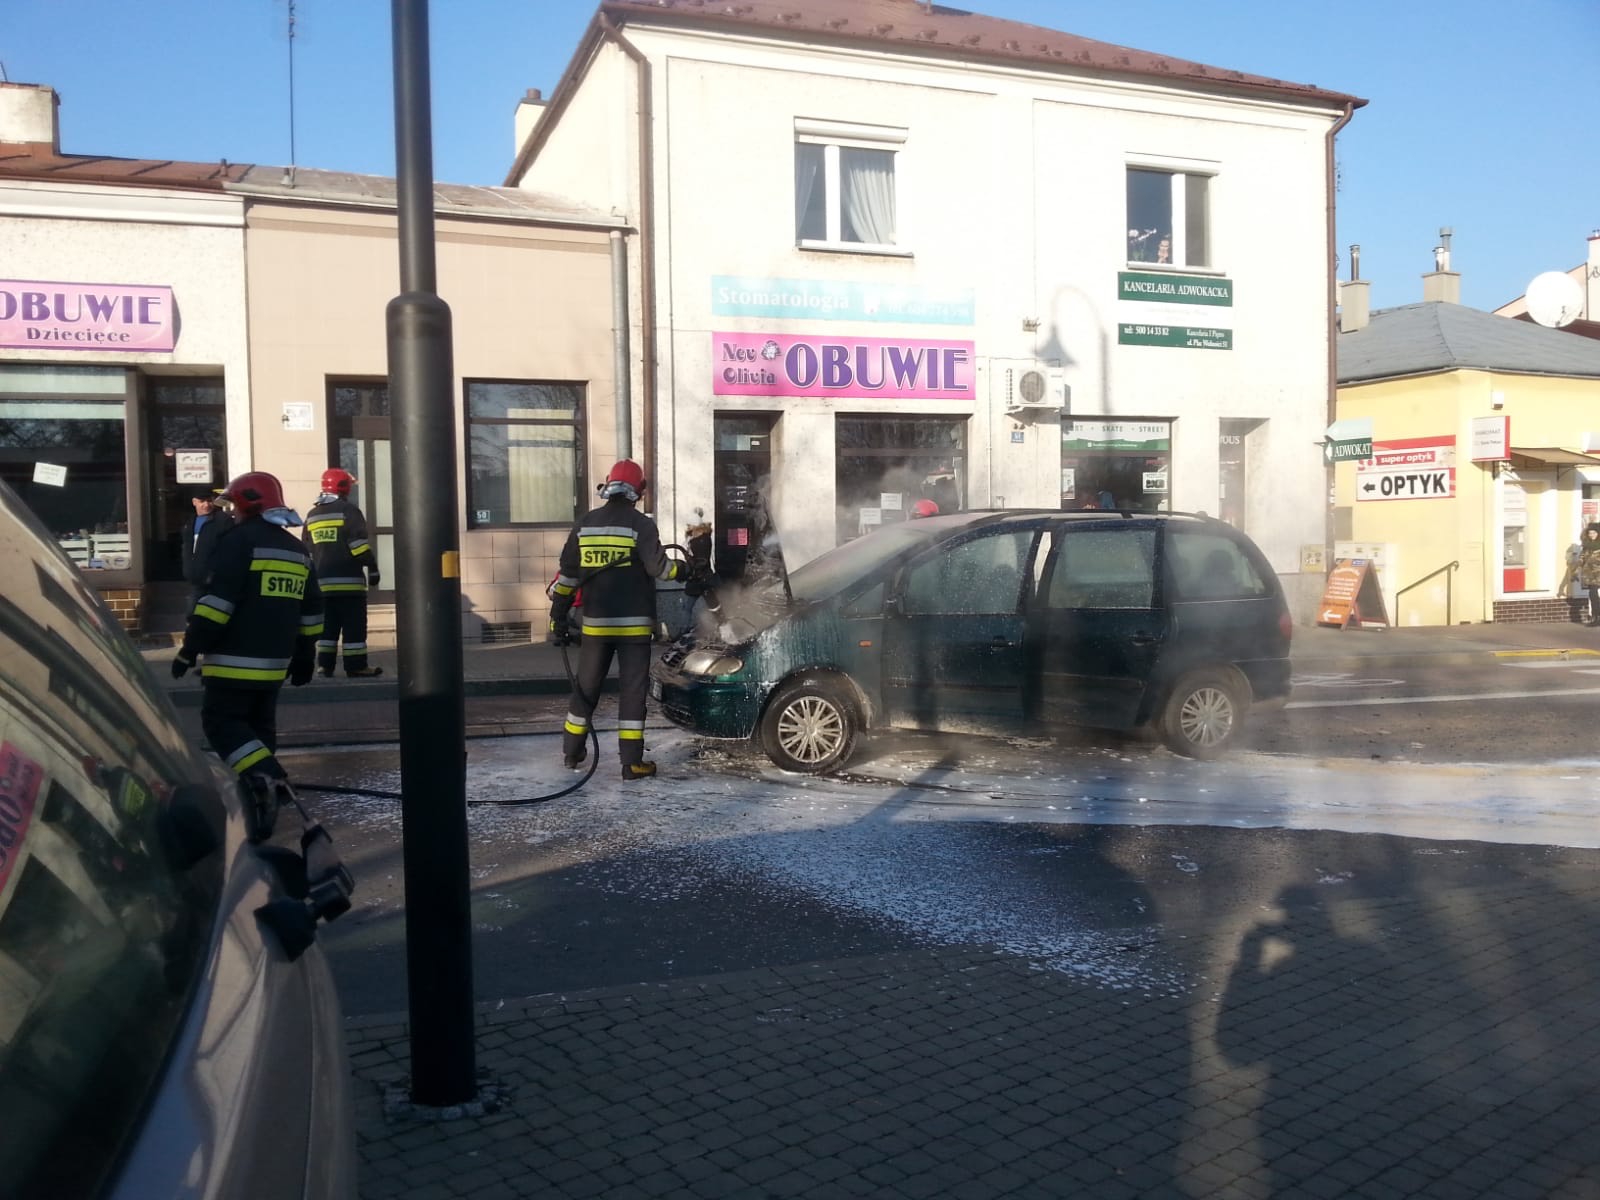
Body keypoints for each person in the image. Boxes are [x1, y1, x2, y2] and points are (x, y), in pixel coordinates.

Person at [171, 471, 322, 837]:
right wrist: (305, 655)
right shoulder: (296, 549)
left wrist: (190, 650)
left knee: (222, 725)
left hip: (233, 662)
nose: (232, 512)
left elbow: (216, 606)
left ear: (245, 504)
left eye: (234, 505)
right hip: (274, 666)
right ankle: (258, 808)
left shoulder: (238, 543)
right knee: (258, 732)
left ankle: (269, 780)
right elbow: (312, 610)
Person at [546, 459, 686, 780]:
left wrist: (558, 617)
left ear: (608, 486)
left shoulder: (585, 524)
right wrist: (686, 569)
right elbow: (660, 569)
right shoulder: (641, 525)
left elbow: (567, 578)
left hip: (595, 626)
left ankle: (571, 752)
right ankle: (632, 763)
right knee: (632, 692)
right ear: (639, 490)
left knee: (586, 688)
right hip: (634, 629)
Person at [302, 467, 382, 677]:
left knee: (328, 629)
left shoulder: (312, 515)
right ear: (344, 487)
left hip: (322, 586)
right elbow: (359, 547)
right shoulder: (349, 511)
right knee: (354, 628)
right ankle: (356, 666)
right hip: (349, 586)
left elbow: (308, 552)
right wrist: (372, 567)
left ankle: (325, 665)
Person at [180, 485, 233, 613]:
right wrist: (188, 570)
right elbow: (187, 548)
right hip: (196, 575)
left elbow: (229, 549)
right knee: (193, 611)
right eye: (202, 501)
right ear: (194, 502)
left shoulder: (222, 520)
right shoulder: (190, 522)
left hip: (215, 576)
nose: (206, 505)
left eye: (209, 501)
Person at [1579, 524, 1600, 626]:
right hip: (1589, 574)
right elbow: (1581, 558)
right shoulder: (1586, 546)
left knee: (1593, 594)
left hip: (1598, 573)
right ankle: (1595, 618)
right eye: (1590, 533)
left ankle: (1596, 618)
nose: (1592, 535)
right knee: (1593, 595)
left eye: (1594, 533)